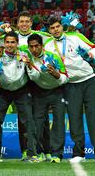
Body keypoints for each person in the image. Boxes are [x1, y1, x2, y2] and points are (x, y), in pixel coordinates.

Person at [44, 16, 95, 163]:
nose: (55, 30)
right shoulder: (47, 46)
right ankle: (79, 153)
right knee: (74, 118)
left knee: (94, 116)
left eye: (57, 26)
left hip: (88, 80)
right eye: (52, 28)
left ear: (62, 27)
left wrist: (93, 54)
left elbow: (94, 48)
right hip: (69, 84)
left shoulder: (75, 37)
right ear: (49, 30)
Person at [0, 32, 38, 162]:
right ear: (4, 43)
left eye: (13, 42)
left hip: (21, 90)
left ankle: (31, 153)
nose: (10, 45)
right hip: (3, 91)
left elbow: (33, 72)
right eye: (7, 42)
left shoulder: (24, 54)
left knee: (28, 120)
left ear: (17, 43)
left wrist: (29, 64)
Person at [24, 34, 68, 162]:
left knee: (59, 122)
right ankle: (40, 152)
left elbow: (66, 77)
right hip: (39, 92)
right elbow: (33, 77)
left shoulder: (53, 57)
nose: (34, 49)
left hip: (57, 91)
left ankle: (57, 154)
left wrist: (57, 75)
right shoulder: (28, 58)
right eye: (31, 47)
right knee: (38, 123)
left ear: (42, 46)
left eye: (36, 46)